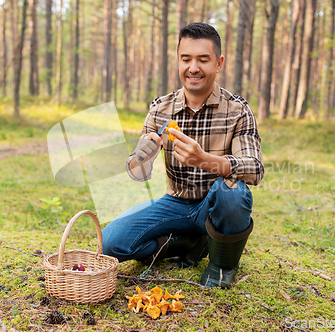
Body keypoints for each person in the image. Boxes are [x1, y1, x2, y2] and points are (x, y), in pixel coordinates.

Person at [102, 22, 264, 288]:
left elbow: (255, 169)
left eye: (203, 59)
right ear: (178, 60)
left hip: (216, 204)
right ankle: (186, 242)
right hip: (175, 203)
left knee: (234, 193)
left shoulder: (238, 110)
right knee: (111, 242)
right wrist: (143, 156)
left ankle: (222, 266)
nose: (193, 68)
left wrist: (205, 160)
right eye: (186, 59)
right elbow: (137, 173)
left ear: (219, 63)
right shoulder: (161, 108)